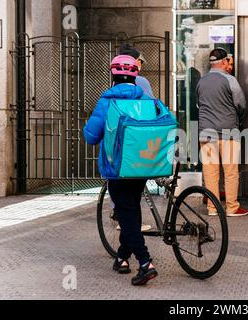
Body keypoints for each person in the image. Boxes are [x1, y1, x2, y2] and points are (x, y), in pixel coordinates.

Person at [83, 55, 158, 286]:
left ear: (113, 74)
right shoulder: (145, 99)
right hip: (142, 166)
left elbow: (91, 136)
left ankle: (145, 263)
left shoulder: (107, 101)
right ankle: (122, 258)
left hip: (117, 168)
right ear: (135, 75)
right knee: (131, 210)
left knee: (126, 213)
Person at [196, 48, 248, 217]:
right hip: (228, 133)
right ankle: (232, 207)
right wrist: (238, 121)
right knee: (231, 172)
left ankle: (213, 208)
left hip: (206, 134)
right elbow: (241, 105)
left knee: (210, 174)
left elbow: (199, 105)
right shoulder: (230, 80)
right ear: (224, 62)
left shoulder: (201, 82)